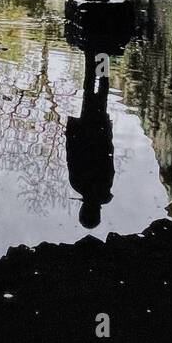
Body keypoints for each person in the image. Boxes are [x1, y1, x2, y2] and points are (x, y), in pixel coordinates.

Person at [65, 49, 115, 229]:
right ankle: (94, 57)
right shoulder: (78, 184)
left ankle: (99, 58)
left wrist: (108, 133)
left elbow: (109, 160)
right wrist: (71, 131)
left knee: (101, 93)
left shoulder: (102, 187)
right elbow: (72, 154)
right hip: (88, 133)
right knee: (90, 91)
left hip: (96, 135)